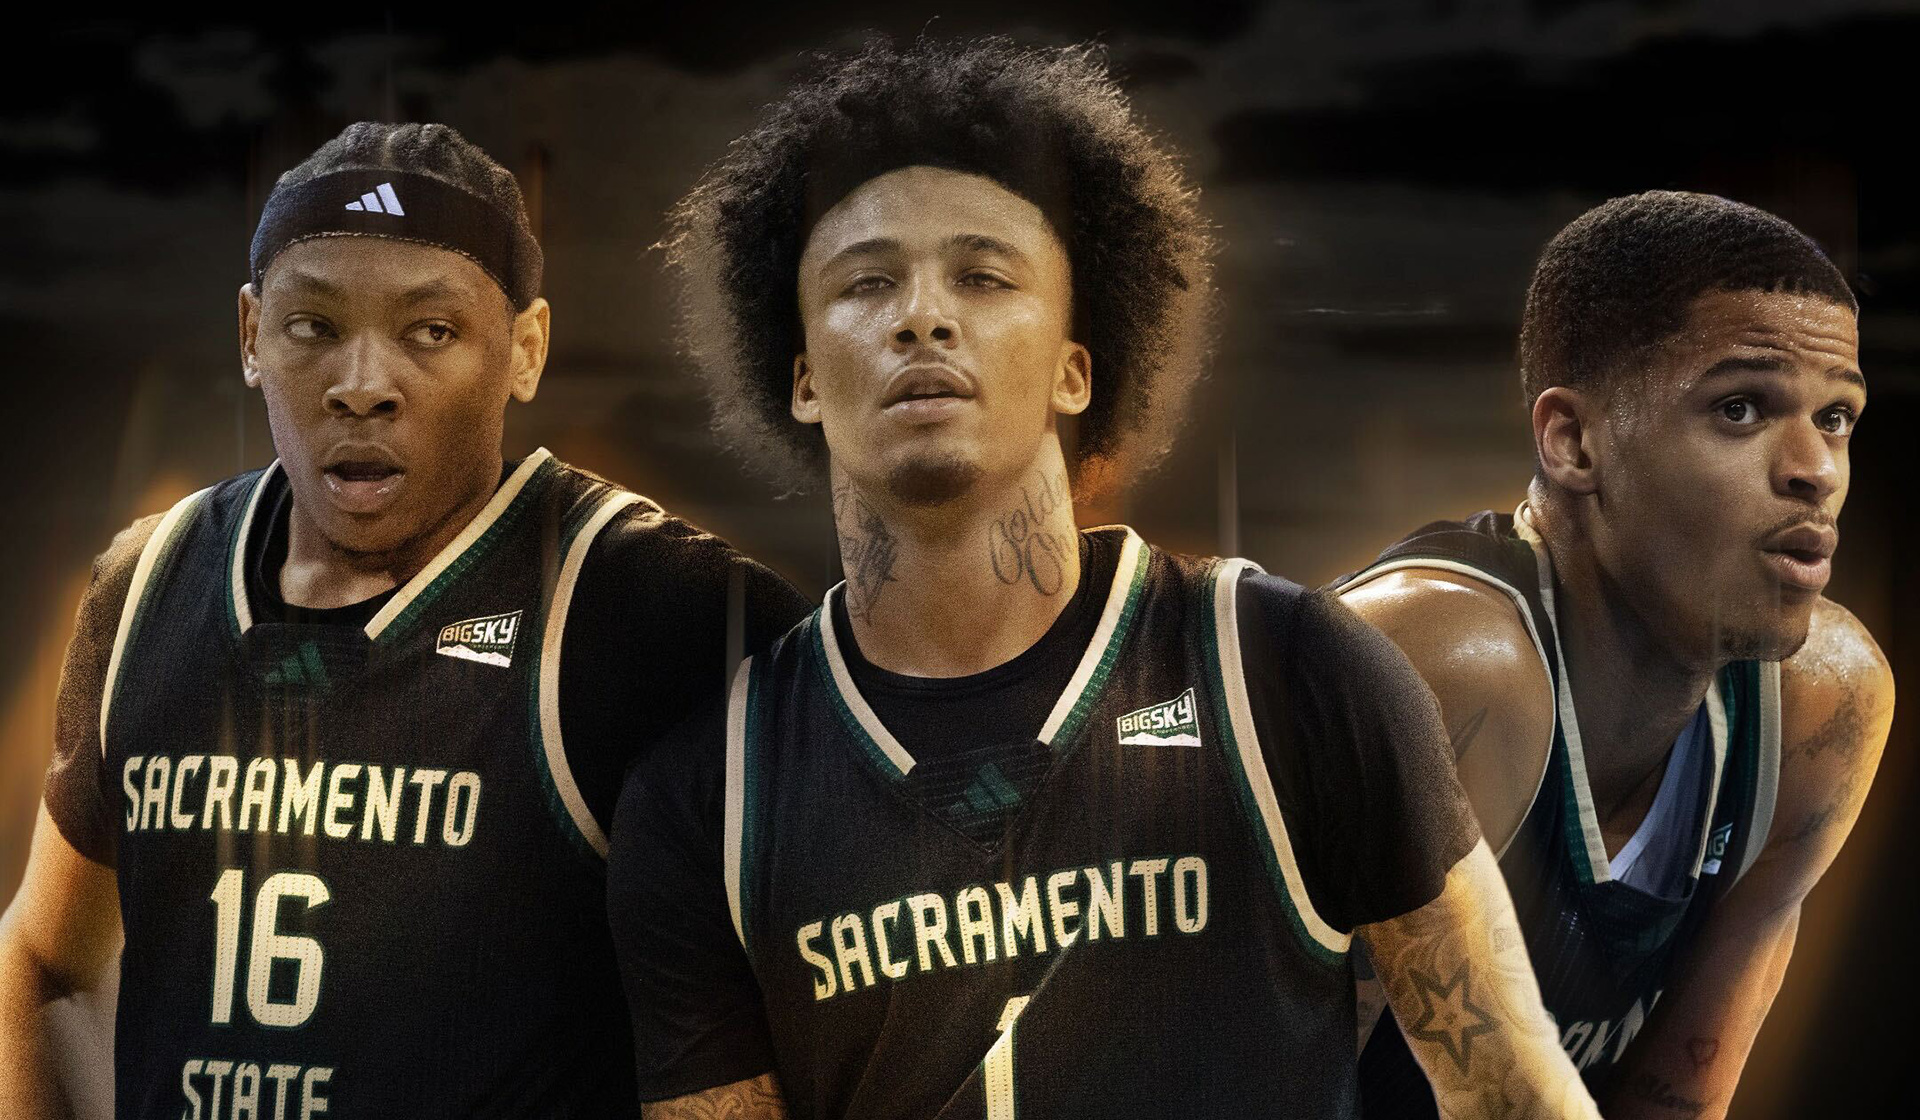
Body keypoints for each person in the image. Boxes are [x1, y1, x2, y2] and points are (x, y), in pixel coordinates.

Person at [609, 39, 1597, 1120]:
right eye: (865, 283)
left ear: (1077, 367)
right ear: (802, 379)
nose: (921, 316)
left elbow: (1512, 1093)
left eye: (984, 278)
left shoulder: (1289, 670)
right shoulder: (710, 794)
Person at [0, 121, 810, 1119]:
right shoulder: (147, 586)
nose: (364, 384)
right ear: (252, 335)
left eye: (430, 331)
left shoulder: (657, 607)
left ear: (525, 349)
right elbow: (45, 954)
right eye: (315, 327)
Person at [1341, 192, 1894, 1119]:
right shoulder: (1442, 665)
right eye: (1742, 408)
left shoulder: (1821, 708)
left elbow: (1676, 1100)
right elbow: (1238, 1077)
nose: (1816, 469)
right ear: (1573, 441)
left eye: (1836, 417)